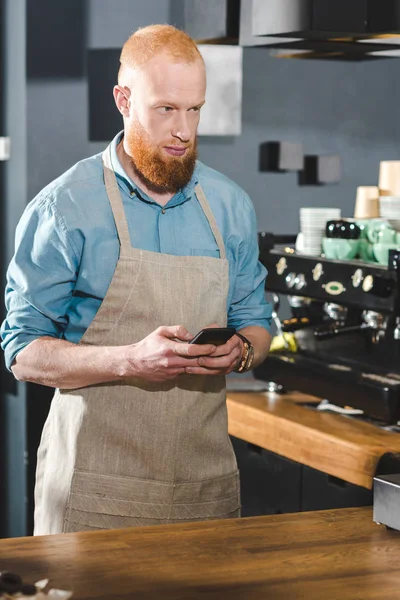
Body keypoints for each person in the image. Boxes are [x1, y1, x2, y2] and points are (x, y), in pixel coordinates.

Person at [1, 24, 272, 534]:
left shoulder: (231, 206)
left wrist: (240, 352)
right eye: (166, 108)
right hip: (94, 493)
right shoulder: (66, 208)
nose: (184, 131)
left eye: (194, 110)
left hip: (202, 493)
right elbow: (22, 353)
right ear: (123, 100)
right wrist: (129, 360)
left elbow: (257, 325)